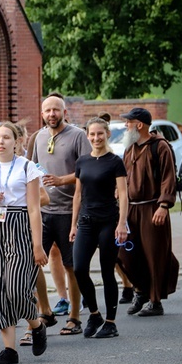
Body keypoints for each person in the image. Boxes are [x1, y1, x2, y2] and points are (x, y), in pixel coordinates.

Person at [0, 123, 48, 364]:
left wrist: (37, 246)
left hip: (19, 225)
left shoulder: (27, 167)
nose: (1, 142)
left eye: (6, 137)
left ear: (16, 141)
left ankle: (37, 324)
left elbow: (34, 208)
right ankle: (10, 349)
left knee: (16, 287)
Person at [31, 95, 91, 335]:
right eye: (47, 110)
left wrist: (62, 180)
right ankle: (45, 311)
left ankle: (75, 318)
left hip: (69, 211)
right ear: (42, 113)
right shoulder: (38, 137)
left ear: (64, 112)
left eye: (56, 110)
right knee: (31, 262)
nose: (52, 114)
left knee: (71, 266)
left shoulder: (77, 135)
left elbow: (89, 169)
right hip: (43, 211)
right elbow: (32, 170)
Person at [69, 118, 128, 338]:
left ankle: (111, 322)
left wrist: (122, 224)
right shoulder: (82, 161)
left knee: (106, 270)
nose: (96, 138)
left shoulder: (115, 162)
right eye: (92, 134)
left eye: (100, 134)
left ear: (107, 134)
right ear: (87, 135)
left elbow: (123, 194)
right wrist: (73, 224)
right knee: (79, 269)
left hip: (109, 222)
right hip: (85, 221)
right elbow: (77, 195)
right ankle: (94, 314)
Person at [118, 108, 179, 316]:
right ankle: (141, 290)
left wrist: (163, 206)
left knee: (154, 254)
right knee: (125, 254)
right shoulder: (129, 149)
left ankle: (155, 301)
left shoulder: (160, 147)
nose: (126, 125)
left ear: (139, 125)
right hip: (130, 209)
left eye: (129, 122)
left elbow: (169, 178)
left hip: (152, 208)